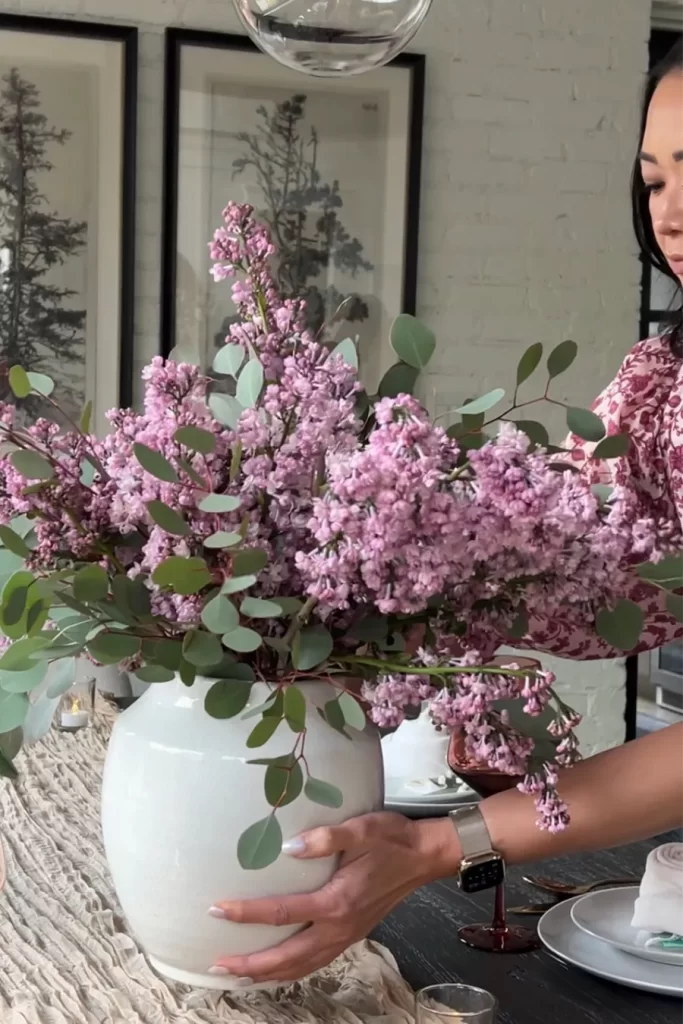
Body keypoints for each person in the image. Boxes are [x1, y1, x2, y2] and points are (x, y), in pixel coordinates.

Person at [207, 40, 683, 984]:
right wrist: (345, 582)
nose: (670, 212)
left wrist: (440, 846)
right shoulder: (658, 382)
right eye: (654, 178)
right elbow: (586, 570)